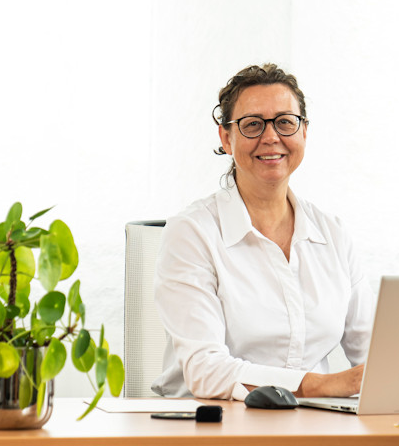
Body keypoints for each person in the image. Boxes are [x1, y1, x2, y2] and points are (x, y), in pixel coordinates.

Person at [150, 63, 372, 400]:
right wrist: (323, 385)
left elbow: (374, 357)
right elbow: (206, 372)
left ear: (304, 132)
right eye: (253, 125)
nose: (271, 137)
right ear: (226, 138)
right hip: (211, 431)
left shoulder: (334, 234)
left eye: (285, 122)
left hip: (314, 428)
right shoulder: (192, 233)